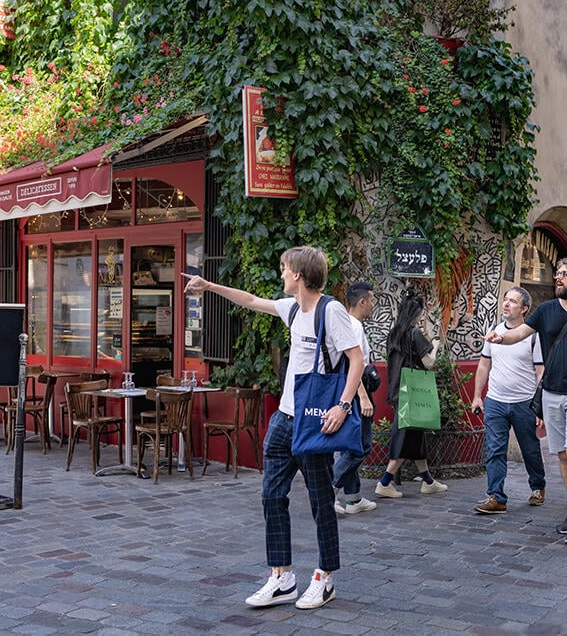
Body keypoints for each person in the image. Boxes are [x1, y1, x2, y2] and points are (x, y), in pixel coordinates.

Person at [183, 246, 364, 610]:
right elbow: (250, 300)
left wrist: (342, 406)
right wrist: (209, 286)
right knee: (271, 496)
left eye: (283, 269)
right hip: (284, 419)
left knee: (320, 502)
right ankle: (282, 577)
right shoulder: (294, 309)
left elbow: (356, 359)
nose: (280, 274)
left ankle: (325, 577)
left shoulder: (332, 312)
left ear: (298, 274)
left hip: (315, 422)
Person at [485, 259, 567, 546]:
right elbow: (520, 333)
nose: (558, 278)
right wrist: (501, 337)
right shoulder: (546, 310)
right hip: (551, 392)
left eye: (564, 275)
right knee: (561, 454)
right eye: (557, 274)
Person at [472, 286, 546, 514]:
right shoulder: (493, 331)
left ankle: (538, 486)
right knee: (494, 449)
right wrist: (477, 396)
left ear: (524, 309)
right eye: (505, 300)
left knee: (530, 449)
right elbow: (484, 364)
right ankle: (496, 497)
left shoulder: (532, 336)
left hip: (524, 402)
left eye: (512, 301)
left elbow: (540, 371)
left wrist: (539, 408)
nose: (506, 304)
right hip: (495, 399)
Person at [374, 288, 447, 498]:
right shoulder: (415, 333)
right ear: (417, 314)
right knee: (404, 438)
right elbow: (429, 363)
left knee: (415, 438)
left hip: (399, 390)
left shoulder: (394, 334)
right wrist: (435, 345)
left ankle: (428, 481)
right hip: (413, 394)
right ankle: (385, 482)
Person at [333, 281, 377, 515]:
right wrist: (363, 397)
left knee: (351, 444)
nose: (372, 305)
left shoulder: (345, 323)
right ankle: (330, 487)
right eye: (371, 300)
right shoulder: (355, 327)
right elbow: (354, 363)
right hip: (357, 393)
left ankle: (354, 498)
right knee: (360, 447)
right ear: (362, 302)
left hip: (347, 392)